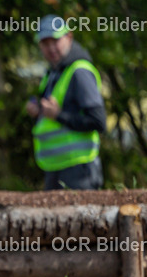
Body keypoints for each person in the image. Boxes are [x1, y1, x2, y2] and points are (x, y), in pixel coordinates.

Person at [26, 14, 106, 190]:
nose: (51, 48)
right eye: (45, 43)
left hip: (79, 169)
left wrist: (58, 115)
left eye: (55, 41)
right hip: (55, 168)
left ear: (69, 37)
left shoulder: (79, 72)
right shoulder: (52, 73)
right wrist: (39, 112)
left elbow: (98, 121)